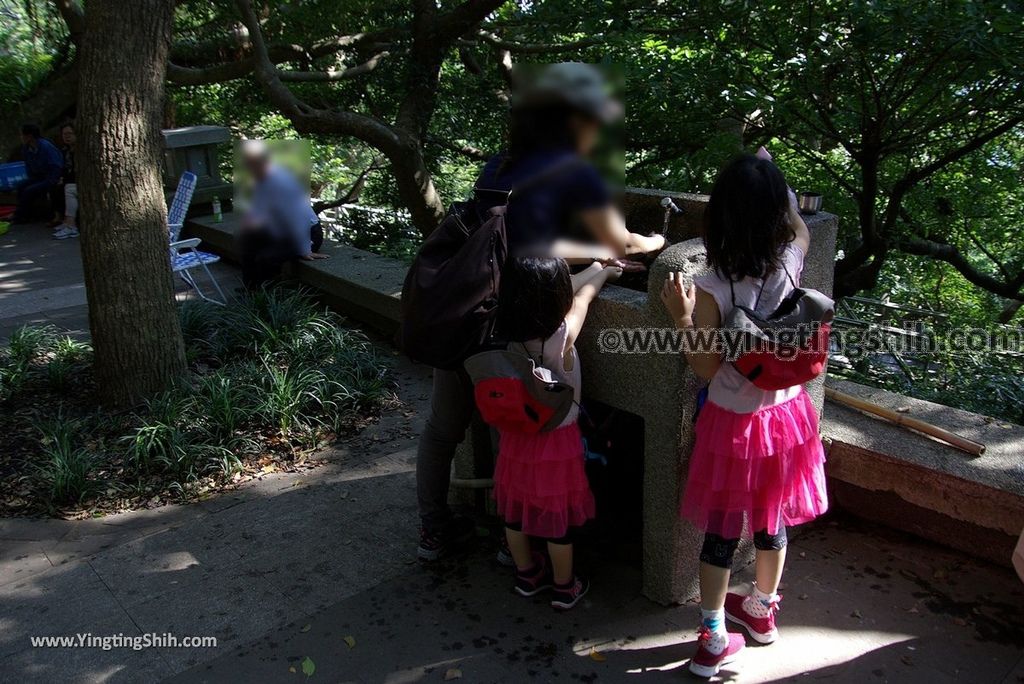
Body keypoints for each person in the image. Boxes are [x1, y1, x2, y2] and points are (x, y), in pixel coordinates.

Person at [416, 63, 664, 562]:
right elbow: (624, 240)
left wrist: (587, 257)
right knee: (518, 426)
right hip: (511, 326)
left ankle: (435, 529)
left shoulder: (501, 164)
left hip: (464, 310)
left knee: (445, 428)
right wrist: (655, 241)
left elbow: (516, 239)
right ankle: (521, 544)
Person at [660, 154, 828, 678]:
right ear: (775, 212)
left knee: (722, 530)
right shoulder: (791, 260)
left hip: (734, 423)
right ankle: (761, 611)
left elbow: (708, 367)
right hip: (787, 417)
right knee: (771, 519)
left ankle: (712, 636)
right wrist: (777, 181)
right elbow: (800, 225)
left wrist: (683, 318)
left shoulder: (711, 288)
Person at [492, 257, 620, 610]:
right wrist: (606, 272)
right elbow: (583, 299)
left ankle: (527, 575)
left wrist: (598, 263)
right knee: (557, 518)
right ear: (556, 296)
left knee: (515, 510)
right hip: (557, 443)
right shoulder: (559, 335)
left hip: (516, 438)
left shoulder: (501, 332)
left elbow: (562, 294)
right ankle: (565, 586)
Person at [237, 141, 328, 289]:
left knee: (267, 258)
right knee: (247, 245)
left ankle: (267, 294)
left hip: (308, 233)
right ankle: (250, 289)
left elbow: (297, 218)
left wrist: (304, 249)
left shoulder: (282, 182)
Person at [12, 124, 64, 225]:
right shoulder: (26, 149)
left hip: (50, 177)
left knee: (29, 191)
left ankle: (21, 217)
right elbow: (29, 167)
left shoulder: (46, 147)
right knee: (21, 186)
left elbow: (56, 165)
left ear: (29, 136)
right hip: (38, 177)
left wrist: (53, 180)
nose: (21, 138)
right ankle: (24, 214)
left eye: (22, 135)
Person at [53, 123, 79, 240]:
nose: (67, 137)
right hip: (70, 180)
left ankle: (71, 226)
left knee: (70, 189)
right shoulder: (65, 150)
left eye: (70, 134)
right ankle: (64, 220)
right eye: (64, 134)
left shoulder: (80, 150)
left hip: (78, 182)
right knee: (56, 187)